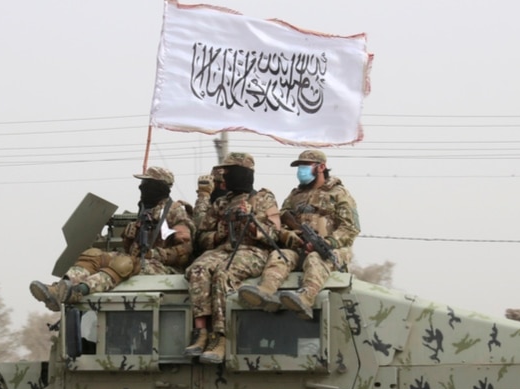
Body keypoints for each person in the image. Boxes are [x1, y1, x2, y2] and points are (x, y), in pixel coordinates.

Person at [30, 166, 194, 312]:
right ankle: (58, 290)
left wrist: (154, 254)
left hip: (167, 268)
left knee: (123, 264)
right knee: (93, 255)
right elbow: (133, 249)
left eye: (147, 184)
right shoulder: (146, 211)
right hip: (143, 262)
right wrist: (129, 237)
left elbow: (184, 251)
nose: (141, 187)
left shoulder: (174, 211)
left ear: (159, 186)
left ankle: (80, 290)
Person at [237, 149, 360, 320]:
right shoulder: (295, 196)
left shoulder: (339, 194)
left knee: (315, 259)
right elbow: (281, 223)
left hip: (332, 251)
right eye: (299, 166)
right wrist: (291, 236)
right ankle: (266, 291)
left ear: (321, 167)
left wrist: (329, 242)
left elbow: (350, 228)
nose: (300, 170)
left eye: (305, 166)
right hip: (298, 248)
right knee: (279, 256)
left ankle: (306, 297)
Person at [184, 152, 282, 363]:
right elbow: (201, 236)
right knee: (197, 269)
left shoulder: (264, 199)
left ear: (241, 173)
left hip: (253, 251)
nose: (224, 176)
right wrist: (220, 233)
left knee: (223, 274)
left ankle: (221, 337)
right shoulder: (221, 203)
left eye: (228, 172)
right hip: (224, 249)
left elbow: (275, 234)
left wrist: (252, 222)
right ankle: (200, 332)